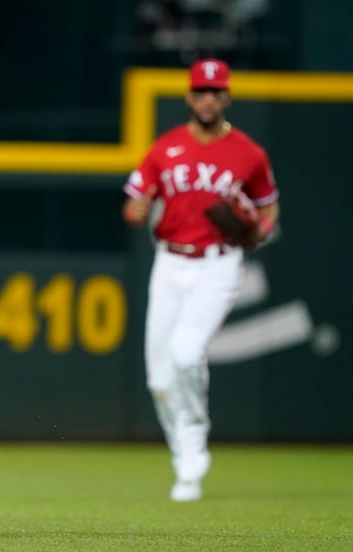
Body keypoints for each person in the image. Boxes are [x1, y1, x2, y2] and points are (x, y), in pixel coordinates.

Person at [122, 58, 279, 502]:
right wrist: (136, 210)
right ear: (189, 96)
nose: (208, 98)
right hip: (169, 263)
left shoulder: (249, 154)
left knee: (186, 353)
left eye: (216, 91)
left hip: (218, 264)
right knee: (159, 378)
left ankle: (194, 446)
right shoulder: (165, 148)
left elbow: (268, 211)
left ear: (226, 97)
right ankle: (185, 454)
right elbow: (134, 204)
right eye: (201, 90)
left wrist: (258, 233)